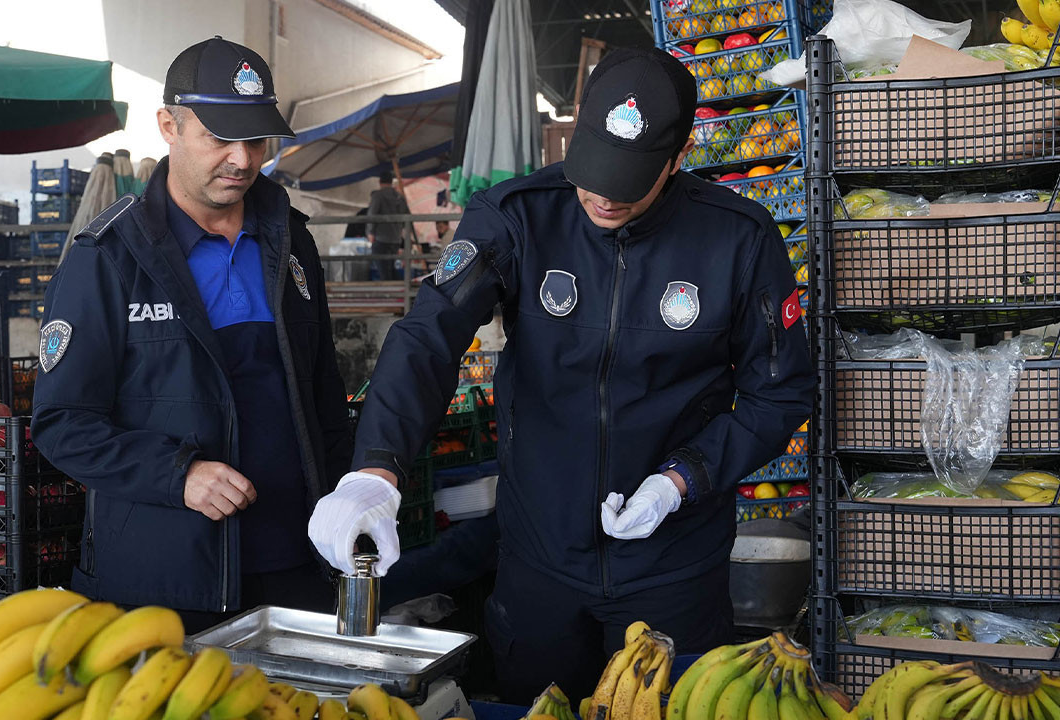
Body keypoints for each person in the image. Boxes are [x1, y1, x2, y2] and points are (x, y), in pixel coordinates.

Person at [307, 47, 814, 702]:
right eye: (592, 170)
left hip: (673, 566)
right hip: (538, 560)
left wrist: (683, 478)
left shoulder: (738, 239)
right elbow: (429, 334)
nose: (602, 195)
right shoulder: (519, 216)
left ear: (677, 157)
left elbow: (781, 391)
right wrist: (375, 469)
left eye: (628, 179)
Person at [33, 36, 351, 632]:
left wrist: (352, 499)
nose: (241, 159)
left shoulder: (291, 243)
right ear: (168, 126)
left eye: (255, 139)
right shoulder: (108, 259)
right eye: (218, 137)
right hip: (164, 584)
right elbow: (63, 424)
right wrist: (178, 476)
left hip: (299, 570)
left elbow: (323, 394)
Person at [366, 171, 411, 280]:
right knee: (390, 268)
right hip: (395, 239)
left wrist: (370, 232)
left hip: (381, 239)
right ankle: (400, 292)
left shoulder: (378, 196)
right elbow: (407, 216)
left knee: (383, 271)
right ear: (391, 182)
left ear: (380, 182)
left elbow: (372, 215)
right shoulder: (399, 197)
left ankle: (391, 294)